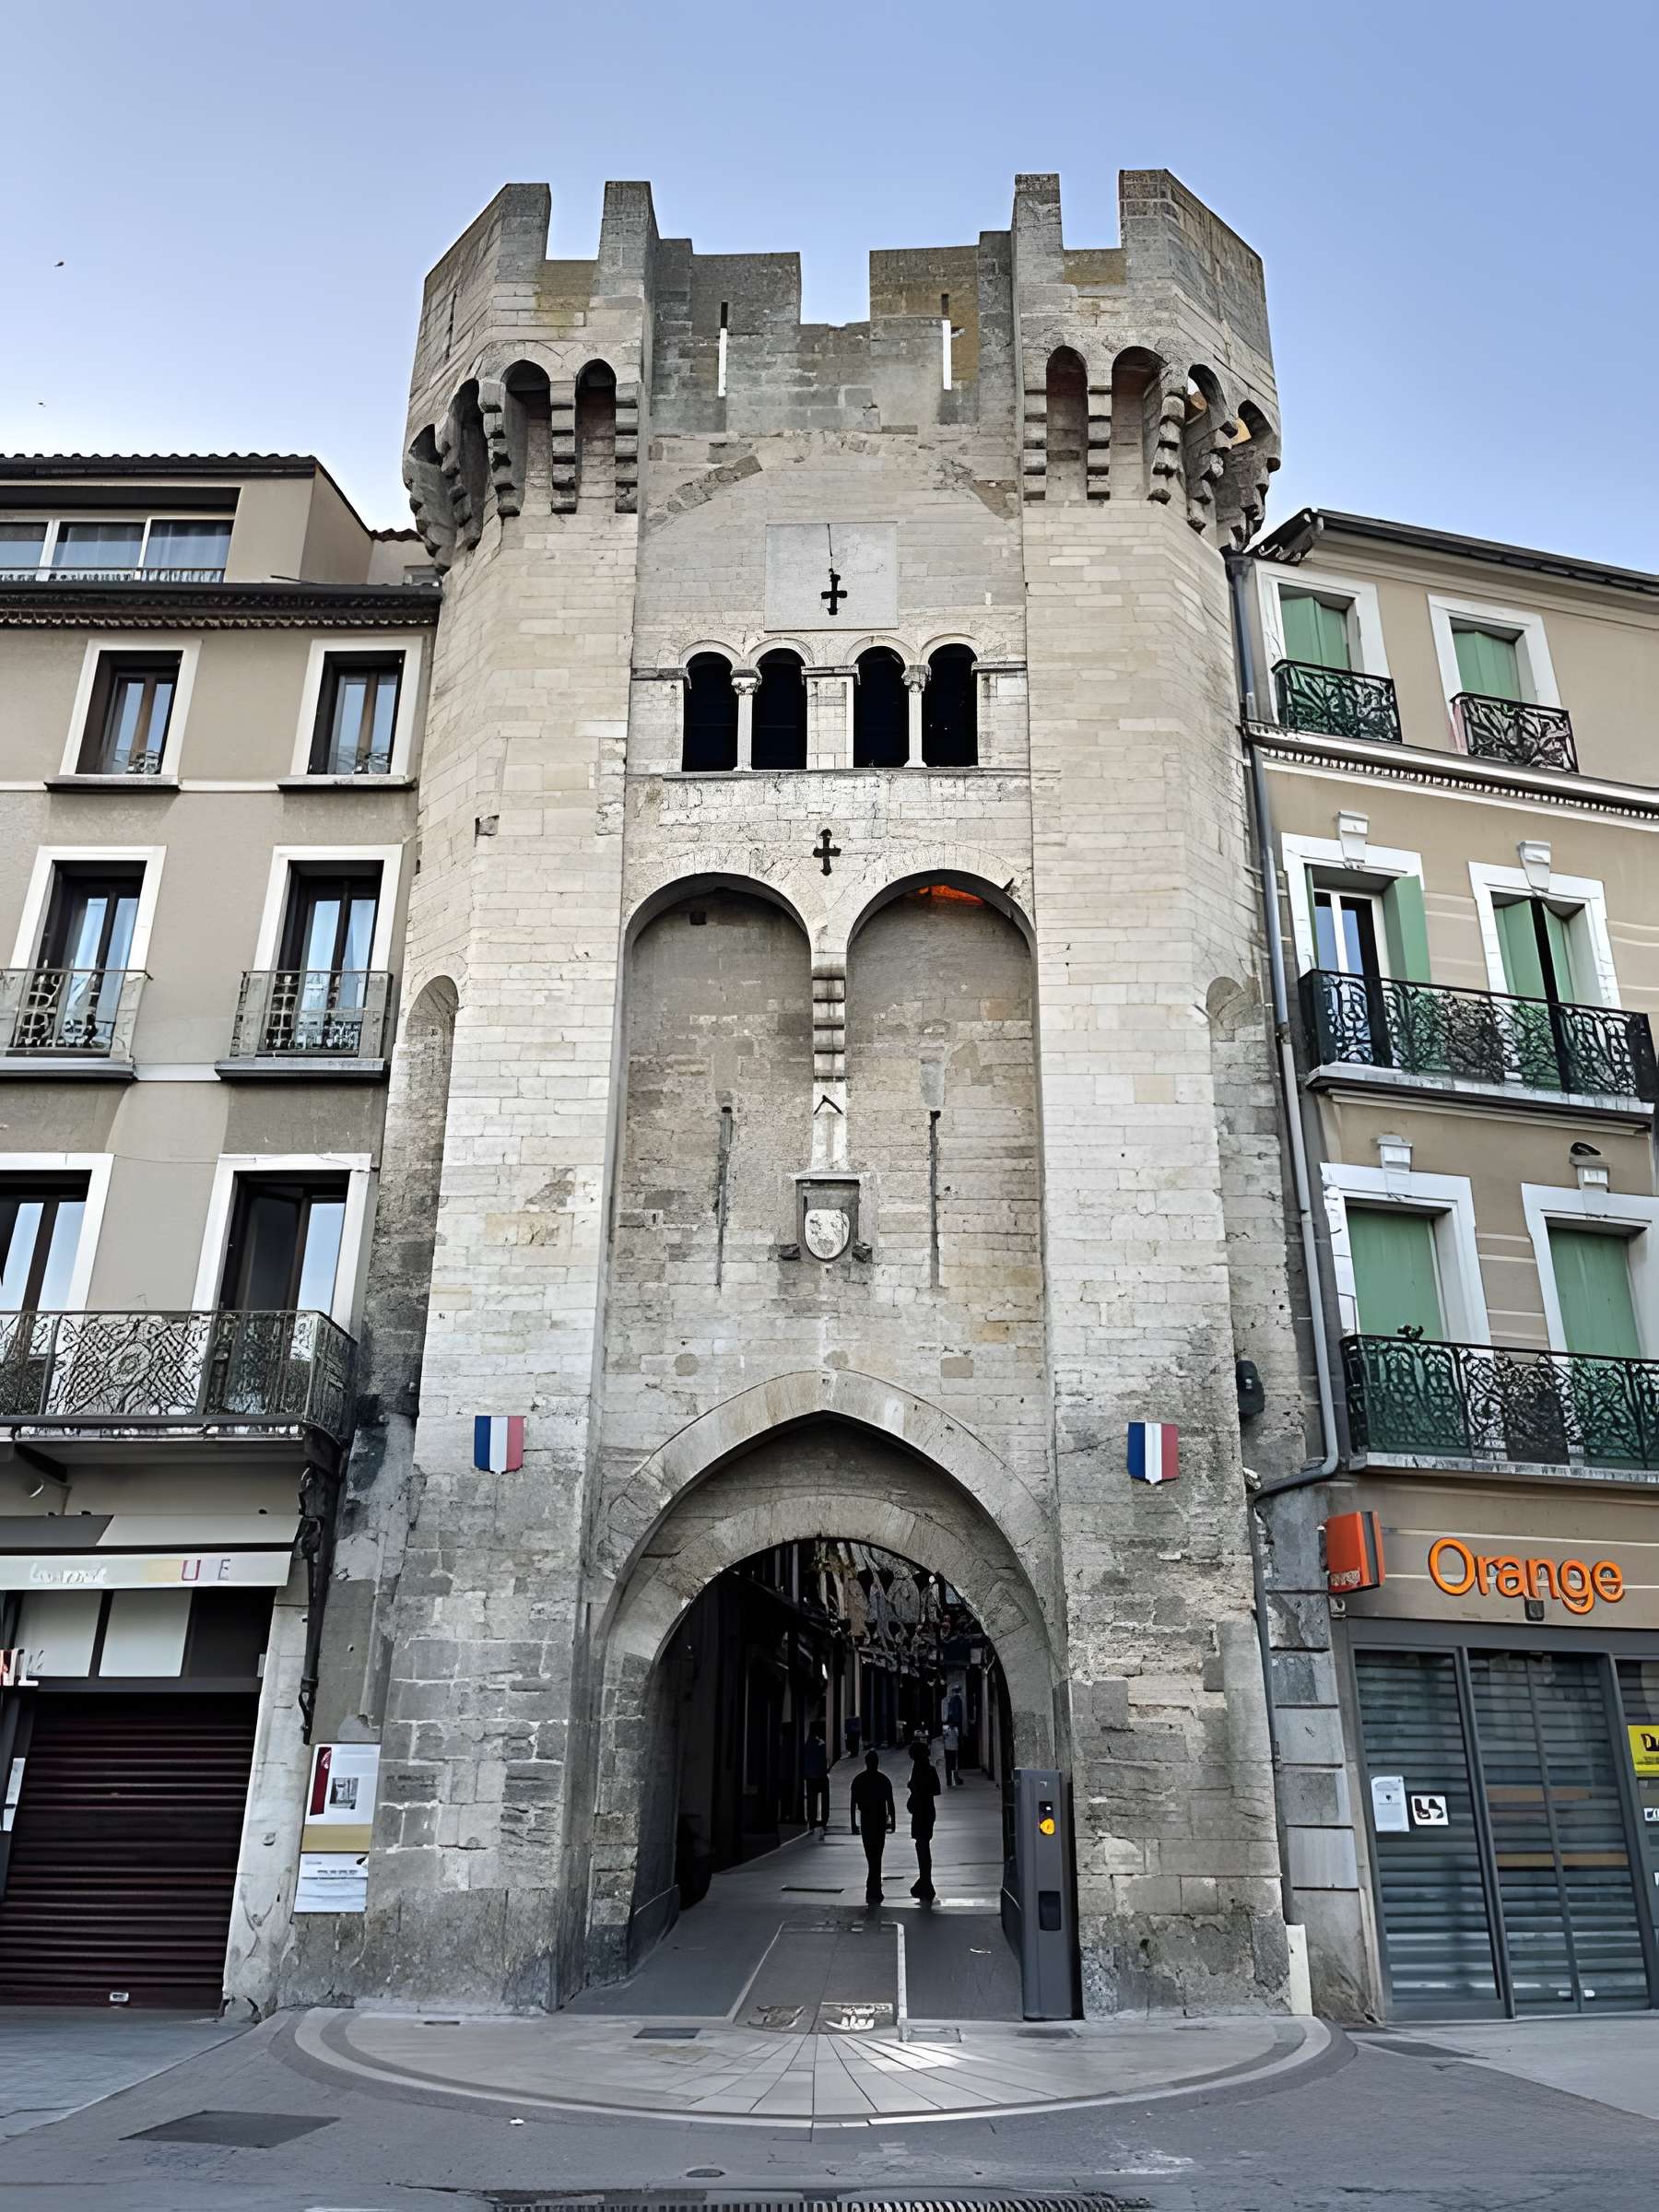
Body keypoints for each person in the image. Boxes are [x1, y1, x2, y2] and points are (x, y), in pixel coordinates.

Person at [849, 1749, 895, 1903]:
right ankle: (875, 1887)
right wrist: (893, 1821)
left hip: (867, 1819)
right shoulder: (884, 1780)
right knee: (878, 1853)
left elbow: (853, 1803)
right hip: (879, 1819)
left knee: (870, 1853)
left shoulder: (859, 1780)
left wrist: (853, 1824)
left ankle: (872, 1886)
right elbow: (890, 1803)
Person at [907, 1736, 941, 1901]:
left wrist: (915, 1787)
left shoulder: (921, 1769)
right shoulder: (928, 1769)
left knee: (922, 1846)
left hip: (922, 1812)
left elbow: (925, 1789)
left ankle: (926, 1881)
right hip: (927, 1811)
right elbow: (936, 1789)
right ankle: (925, 1880)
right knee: (923, 1846)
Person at [803, 1724, 830, 1834]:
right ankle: (824, 1820)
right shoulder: (822, 1745)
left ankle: (812, 1820)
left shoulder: (807, 1745)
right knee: (825, 1799)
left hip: (810, 1777)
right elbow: (824, 1761)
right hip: (821, 1776)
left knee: (811, 1800)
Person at [941, 1719, 960, 1788]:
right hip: (949, 1749)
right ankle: (949, 1781)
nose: (951, 1725)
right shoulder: (947, 1731)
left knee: (953, 1766)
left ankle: (953, 1781)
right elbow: (943, 1738)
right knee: (949, 1766)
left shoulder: (955, 1731)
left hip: (952, 1749)